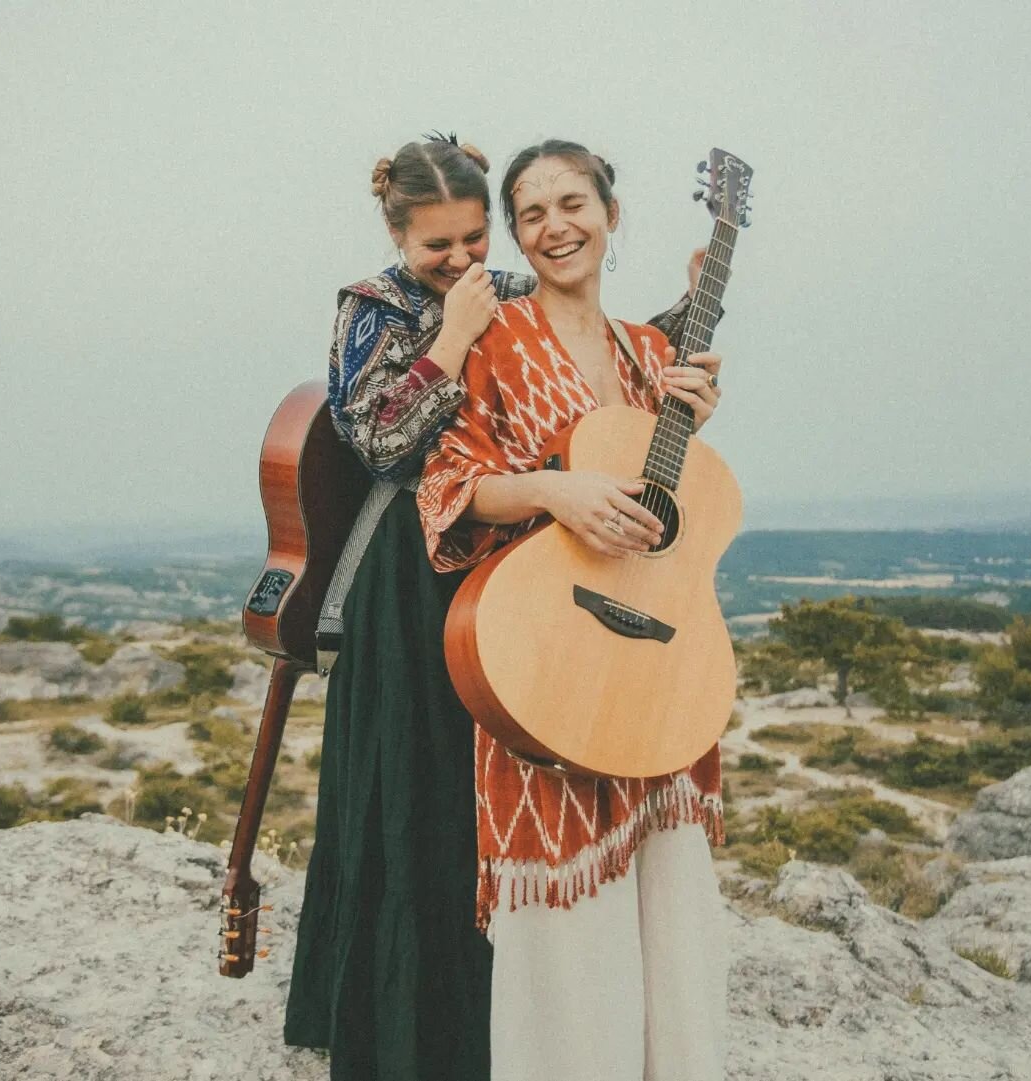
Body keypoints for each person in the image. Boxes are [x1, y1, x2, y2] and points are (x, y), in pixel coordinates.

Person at [284, 132, 718, 1081]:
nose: (462, 261)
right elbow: (382, 444)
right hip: (411, 570)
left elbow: (591, 379)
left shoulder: (513, 295)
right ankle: (403, 1025)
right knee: (416, 788)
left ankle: (510, 1024)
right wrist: (449, 336)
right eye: (438, 245)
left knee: (487, 797)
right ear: (397, 233)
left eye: (477, 240)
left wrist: (692, 307)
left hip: (525, 575)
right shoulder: (374, 308)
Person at [417, 138, 728, 1081]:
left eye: (573, 204)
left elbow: (672, 503)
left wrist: (696, 419)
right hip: (545, 648)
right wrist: (553, 491)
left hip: (656, 650)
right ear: (515, 234)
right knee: (564, 930)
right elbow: (447, 485)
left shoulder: (652, 349)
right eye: (533, 214)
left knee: (673, 910)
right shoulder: (497, 340)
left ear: (611, 213)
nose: (556, 227)